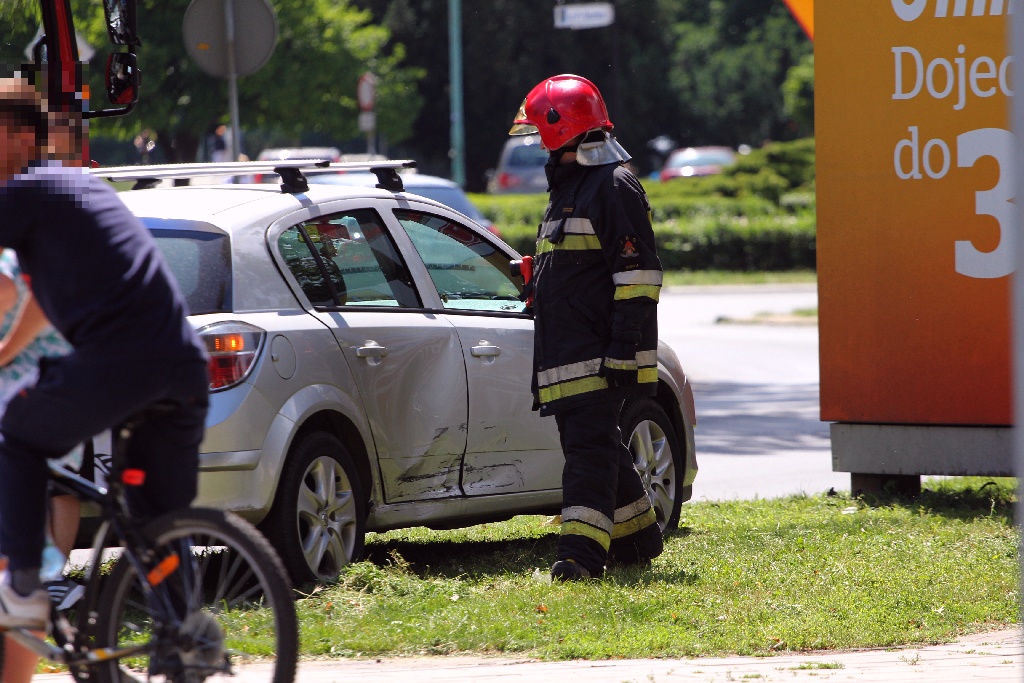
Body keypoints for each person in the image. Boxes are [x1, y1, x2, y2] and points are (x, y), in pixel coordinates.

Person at [0, 77, 209, 632]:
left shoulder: (29, 189)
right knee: (156, 519)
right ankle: (185, 637)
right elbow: (38, 302)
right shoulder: (77, 188)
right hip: (181, 363)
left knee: (18, 433)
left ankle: (24, 585)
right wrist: (5, 352)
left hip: (122, 360)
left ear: (20, 137)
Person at [507, 74, 665, 581]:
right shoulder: (572, 188)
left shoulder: (612, 186)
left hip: (598, 355)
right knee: (598, 446)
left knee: (587, 453)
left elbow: (638, 275)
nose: (539, 146)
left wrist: (621, 349)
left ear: (563, 129)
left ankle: (580, 557)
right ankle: (639, 538)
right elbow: (584, 270)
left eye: (541, 134)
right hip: (569, 353)